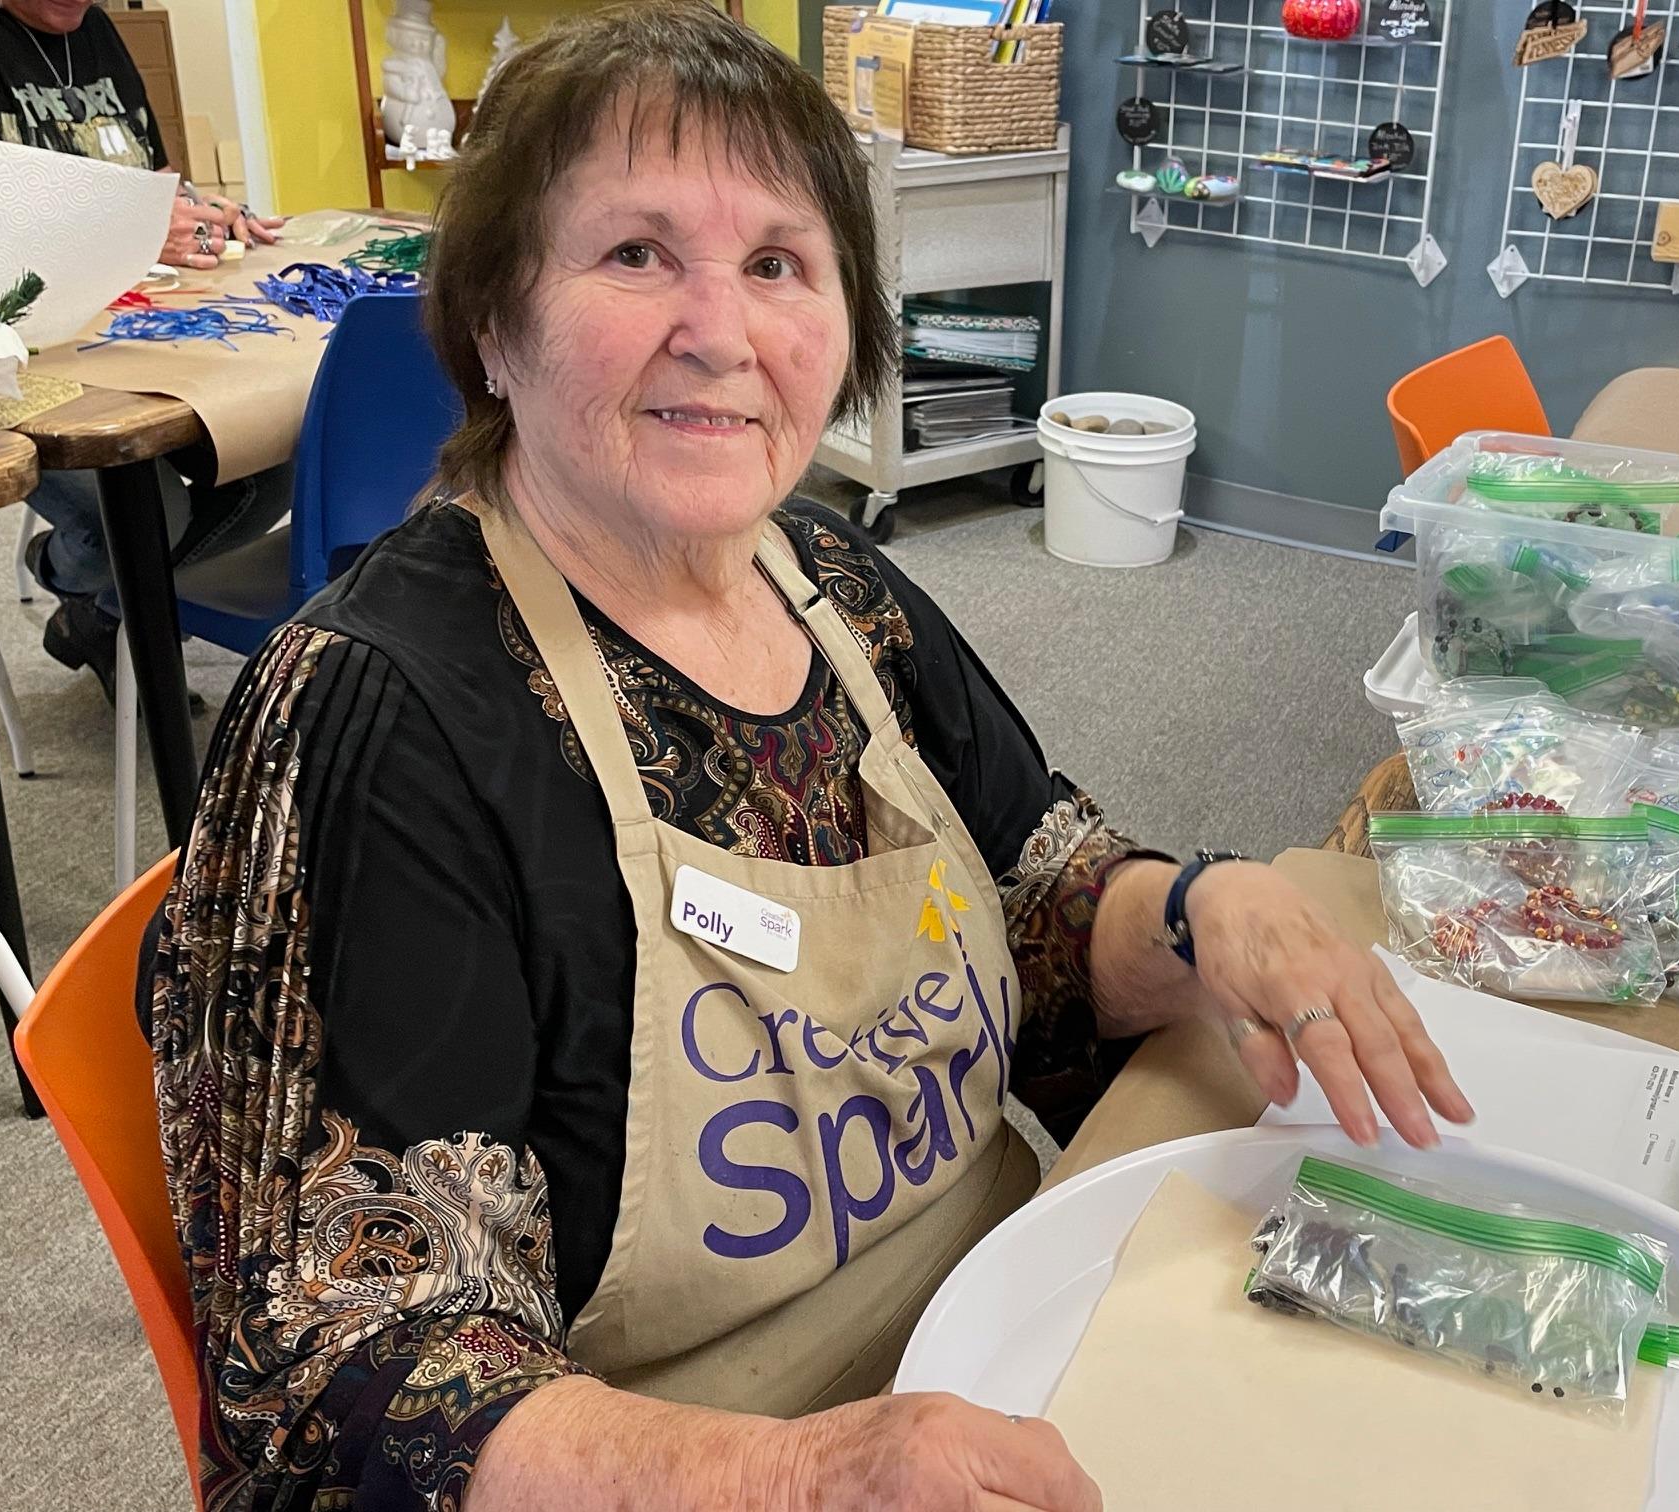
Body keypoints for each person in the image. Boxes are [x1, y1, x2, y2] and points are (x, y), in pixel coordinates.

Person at [148, 6, 1474, 1510]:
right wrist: (799, 1479)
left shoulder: (836, 588)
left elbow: (1040, 900)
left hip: (1005, 1351)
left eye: (779, 263)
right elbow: (348, 1375)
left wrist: (1201, 909)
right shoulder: (383, 719)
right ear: (495, 325)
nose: (722, 333)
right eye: (636, 253)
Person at [0, 0, 286, 695]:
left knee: (271, 468)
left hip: (118, 336)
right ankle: (69, 573)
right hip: (20, 361)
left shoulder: (94, 28)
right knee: (146, 516)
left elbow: (150, 175)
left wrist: (203, 210)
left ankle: (102, 611)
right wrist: (121, 236)